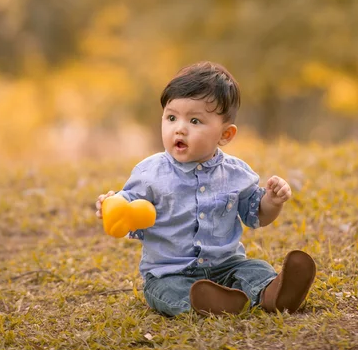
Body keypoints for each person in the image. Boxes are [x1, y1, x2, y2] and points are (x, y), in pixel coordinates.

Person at [96, 61, 316, 317]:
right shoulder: (149, 172)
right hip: (169, 273)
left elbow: (257, 215)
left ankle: (272, 293)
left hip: (226, 265)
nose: (179, 127)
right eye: (171, 117)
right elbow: (127, 206)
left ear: (226, 135)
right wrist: (110, 205)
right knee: (170, 292)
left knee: (254, 269)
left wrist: (273, 201)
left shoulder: (237, 173)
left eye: (194, 120)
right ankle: (208, 304)